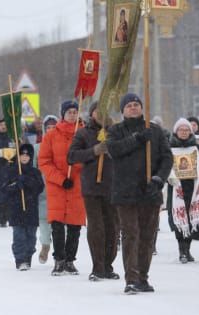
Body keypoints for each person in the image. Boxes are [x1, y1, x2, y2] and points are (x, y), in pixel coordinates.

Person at [106, 93, 173, 294]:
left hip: (149, 192)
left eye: (136, 105)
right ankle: (131, 278)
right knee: (130, 234)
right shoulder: (116, 130)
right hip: (125, 192)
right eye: (129, 105)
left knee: (147, 236)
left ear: (142, 108)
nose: (133, 108)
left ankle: (143, 277)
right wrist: (136, 139)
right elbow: (114, 150)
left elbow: (167, 157)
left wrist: (159, 179)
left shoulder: (154, 130)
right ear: (123, 110)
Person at [68, 101, 119, 281]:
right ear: (92, 114)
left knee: (113, 227)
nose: (102, 114)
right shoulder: (83, 133)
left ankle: (108, 265)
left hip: (113, 186)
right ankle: (97, 267)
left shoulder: (116, 131)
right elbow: (72, 156)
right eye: (98, 111)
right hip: (92, 186)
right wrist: (93, 151)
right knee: (97, 227)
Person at [38, 100, 86, 276]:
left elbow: (89, 157)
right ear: (63, 114)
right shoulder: (51, 136)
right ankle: (59, 260)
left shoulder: (83, 134)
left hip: (77, 185)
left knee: (75, 226)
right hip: (57, 186)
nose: (72, 114)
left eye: (75, 112)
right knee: (57, 225)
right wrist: (59, 178)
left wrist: (78, 172)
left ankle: (70, 260)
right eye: (69, 112)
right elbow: (44, 161)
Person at [166, 118, 199, 263]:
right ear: (176, 131)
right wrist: (169, 177)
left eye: (186, 130)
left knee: (190, 218)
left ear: (190, 132)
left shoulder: (197, 149)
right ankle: (181, 250)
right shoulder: (168, 148)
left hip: (193, 187)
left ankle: (187, 249)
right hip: (176, 187)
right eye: (181, 130)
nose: (184, 132)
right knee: (179, 218)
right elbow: (164, 166)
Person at [2, 143, 44, 270]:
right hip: (16, 208)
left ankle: (28, 257)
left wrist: (27, 181)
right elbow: (5, 188)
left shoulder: (35, 172)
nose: (25, 157)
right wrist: (16, 185)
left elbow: (39, 187)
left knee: (31, 236)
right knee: (19, 236)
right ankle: (20, 259)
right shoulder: (11, 170)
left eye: (27, 155)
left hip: (31, 208)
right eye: (22, 154)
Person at [33, 114, 59, 264]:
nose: (50, 130)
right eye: (48, 128)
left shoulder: (63, 145)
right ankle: (45, 244)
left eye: (53, 128)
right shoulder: (37, 147)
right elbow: (33, 168)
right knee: (44, 221)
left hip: (60, 187)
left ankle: (59, 250)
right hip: (43, 189)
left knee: (60, 223)